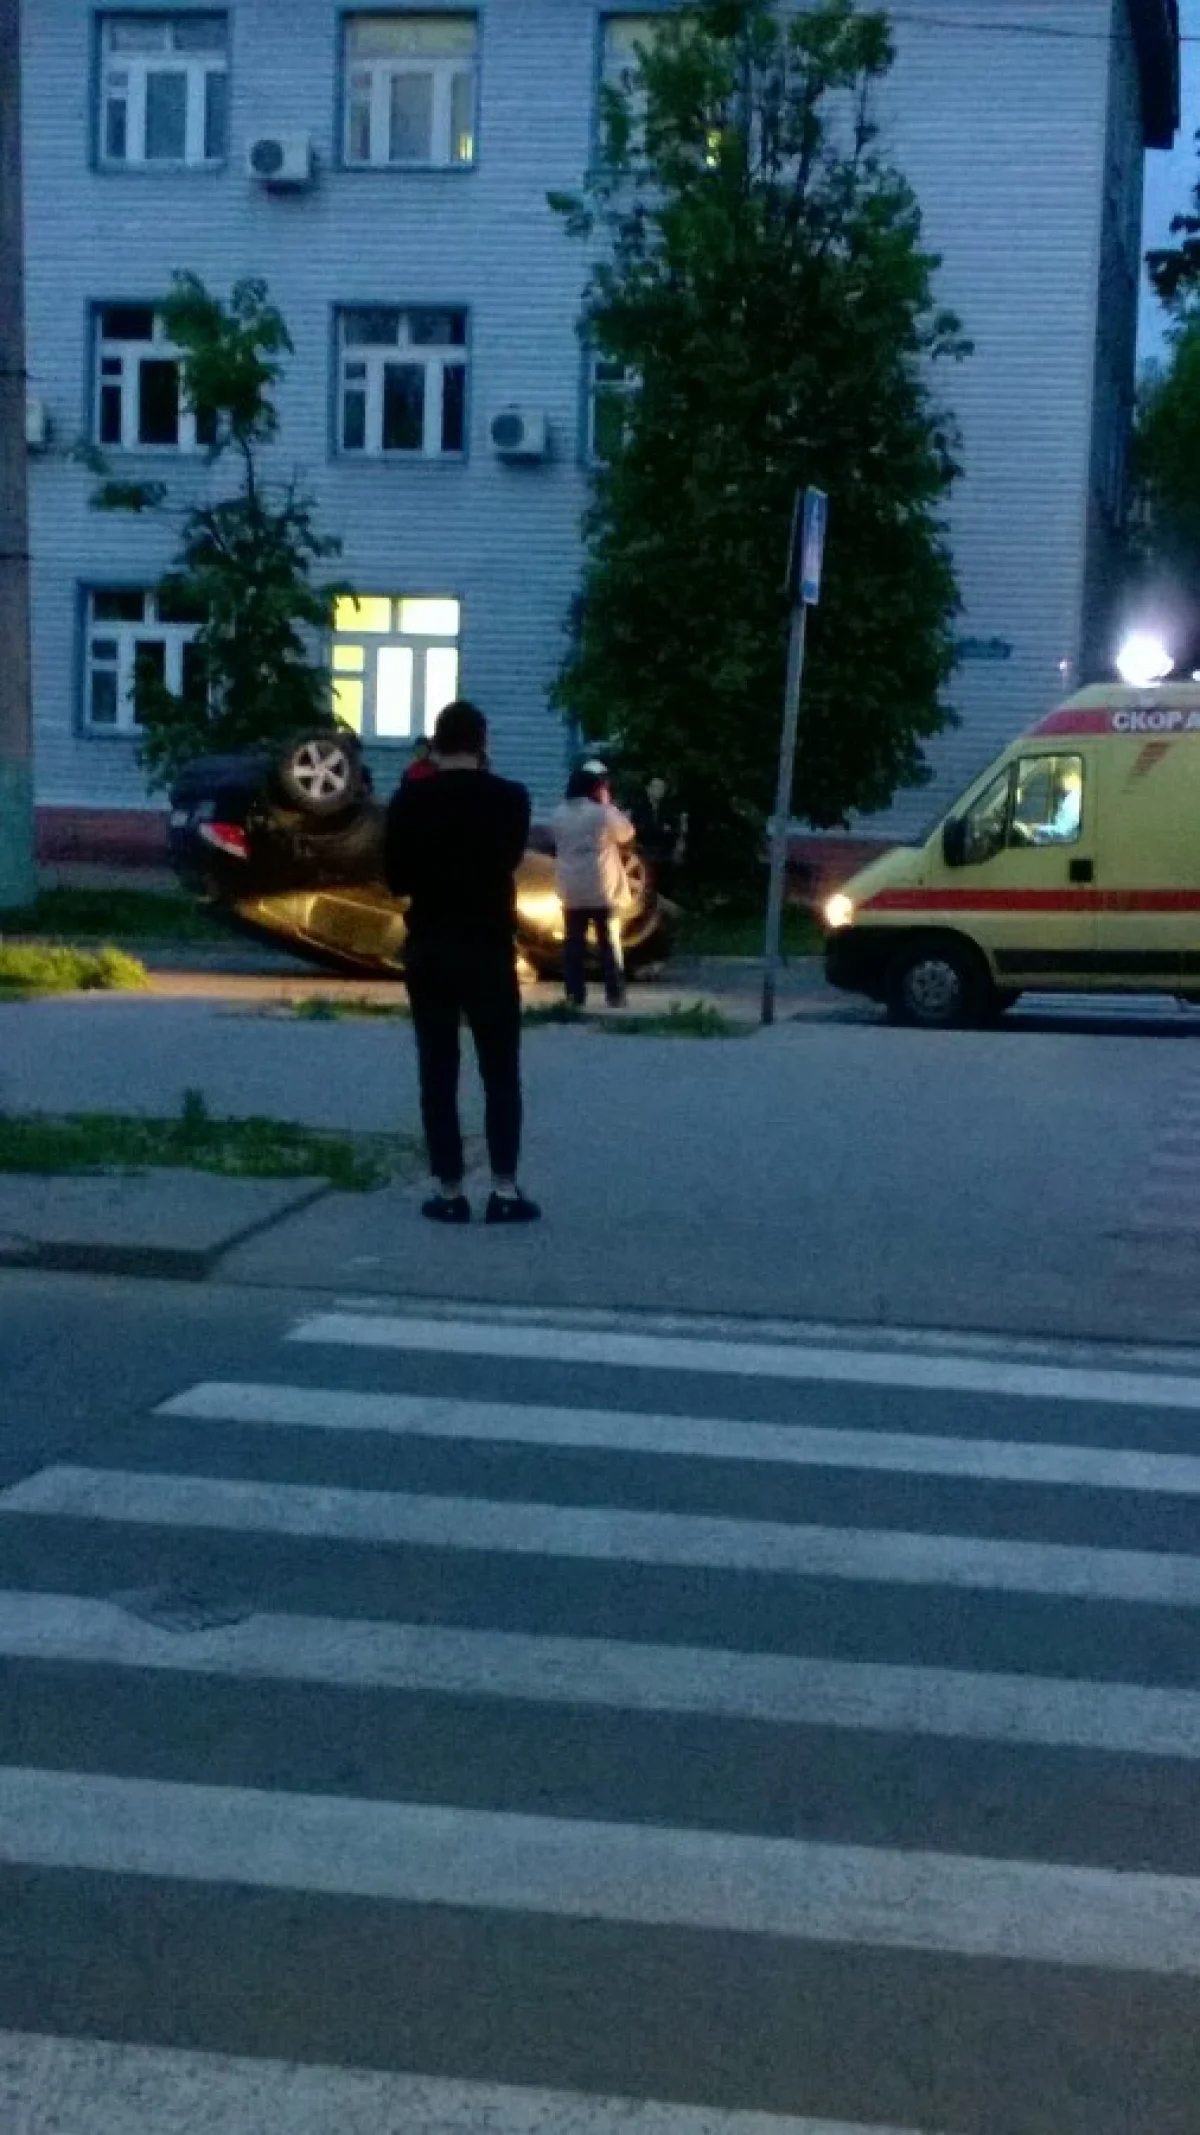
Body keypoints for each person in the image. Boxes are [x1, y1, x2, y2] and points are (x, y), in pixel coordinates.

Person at [385, 700, 540, 1225]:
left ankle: (449, 1191)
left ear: (435, 743)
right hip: (488, 947)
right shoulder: (510, 799)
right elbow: (510, 860)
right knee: (501, 1072)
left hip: (430, 947)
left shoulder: (409, 800)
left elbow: (395, 878)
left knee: (438, 1070)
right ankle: (504, 1189)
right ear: (483, 743)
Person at [552, 759, 636, 1009]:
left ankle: (574, 994)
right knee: (607, 942)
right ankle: (615, 993)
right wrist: (610, 806)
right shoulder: (601, 813)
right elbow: (626, 833)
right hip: (601, 886)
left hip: (570, 886)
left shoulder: (558, 814)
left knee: (573, 942)